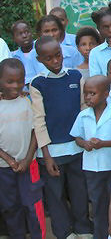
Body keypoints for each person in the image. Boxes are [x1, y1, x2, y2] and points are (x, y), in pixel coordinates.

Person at [30, 36, 92, 238]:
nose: (55, 61)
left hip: (76, 149)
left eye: (58, 55)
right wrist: (46, 155)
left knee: (79, 191)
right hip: (52, 154)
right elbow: (39, 121)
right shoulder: (38, 83)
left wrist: (83, 140)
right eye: (49, 58)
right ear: (40, 60)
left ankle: (83, 228)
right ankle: (64, 232)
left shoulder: (75, 76)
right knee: (55, 196)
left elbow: (84, 110)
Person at [70, 75, 111, 239]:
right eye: (85, 93)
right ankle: (100, 235)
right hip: (92, 168)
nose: (88, 97)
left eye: (92, 93)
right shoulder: (83, 115)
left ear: (105, 94)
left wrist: (104, 144)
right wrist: (84, 144)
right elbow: (77, 137)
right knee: (97, 204)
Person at [0, 58, 45, 239]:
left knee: (33, 205)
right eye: (10, 81)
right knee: (10, 207)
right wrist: (9, 159)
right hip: (3, 168)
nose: (16, 85)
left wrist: (27, 158)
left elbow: (36, 131)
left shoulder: (28, 100)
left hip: (29, 164)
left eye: (20, 80)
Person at [11, 20, 35, 85]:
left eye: (27, 32)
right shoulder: (13, 57)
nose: (24, 36)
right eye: (20, 34)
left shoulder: (42, 48)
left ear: (31, 32)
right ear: (14, 38)